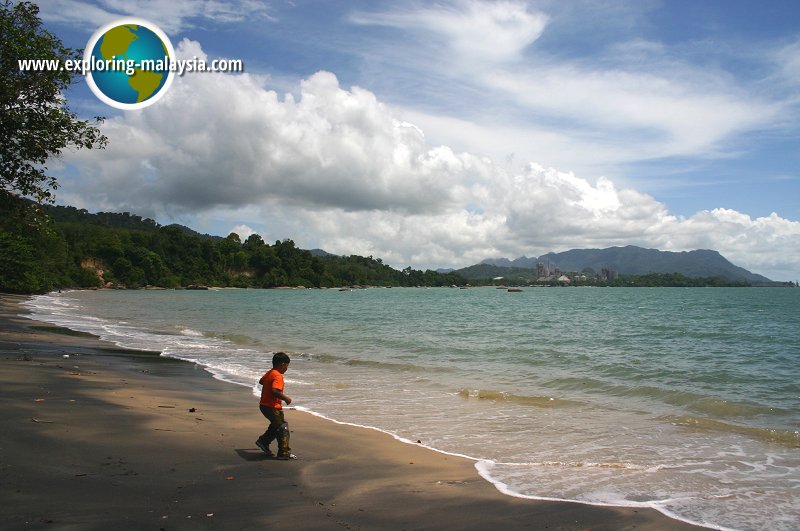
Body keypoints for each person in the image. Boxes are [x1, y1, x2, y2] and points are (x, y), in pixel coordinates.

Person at [255, 352, 295, 460]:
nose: (286, 369)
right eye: (286, 366)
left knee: (276, 425)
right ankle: (284, 452)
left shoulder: (270, 372)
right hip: (272, 406)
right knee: (282, 427)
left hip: (264, 405)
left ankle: (263, 441)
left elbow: (261, 381)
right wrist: (286, 398)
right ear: (282, 364)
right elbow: (274, 390)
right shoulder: (278, 375)